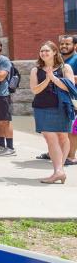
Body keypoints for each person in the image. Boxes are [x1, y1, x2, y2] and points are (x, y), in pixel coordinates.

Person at [30, 41, 75, 184]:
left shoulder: (65, 67)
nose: (43, 53)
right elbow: (35, 90)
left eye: (46, 51)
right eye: (41, 51)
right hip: (42, 107)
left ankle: (59, 170)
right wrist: (47, 79)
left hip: (62, 107)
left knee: (62, 137)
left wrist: (54, 78)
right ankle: (58, 171)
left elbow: (70, 88)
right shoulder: (35, 70)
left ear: (55, 52)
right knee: (51, 138)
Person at [59, 34, 77, 165]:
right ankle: (57, 153)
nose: (64, 46)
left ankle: (71, 156)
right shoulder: (60, 60)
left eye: (67, 44)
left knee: (72, 129)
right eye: (62, 44)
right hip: (62, 99)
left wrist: (68, 78)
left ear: (75, 46)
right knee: (60, 127)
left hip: (74, 99)